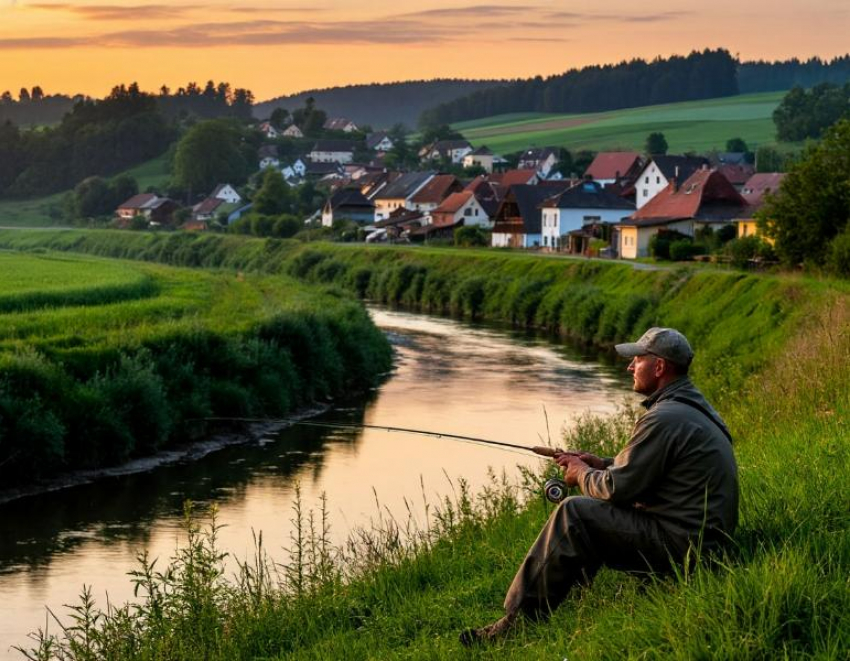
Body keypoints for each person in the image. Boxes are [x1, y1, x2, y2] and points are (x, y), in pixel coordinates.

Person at [461, 327, 739, 645]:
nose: (630, 366)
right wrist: (601, 464)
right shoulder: (689, 407)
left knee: (575, 512)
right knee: (595, 509)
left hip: (686, 550)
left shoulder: (664, 418)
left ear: (659, 367)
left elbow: (617, 489)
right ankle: (576, 601)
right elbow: (645, 474)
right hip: (705, 544)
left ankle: (518, 623)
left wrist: (581, 473)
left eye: (637, 360)